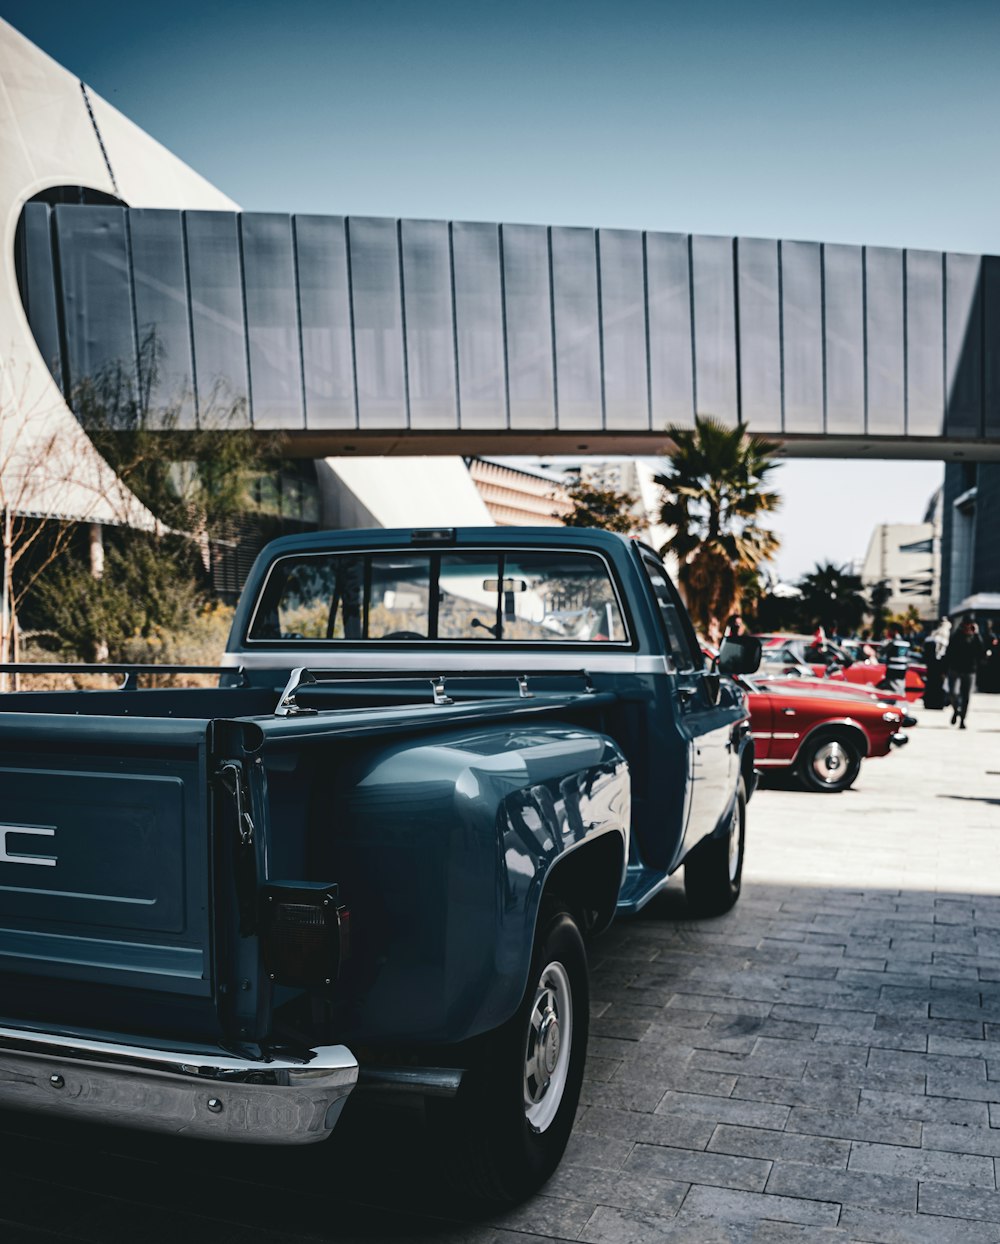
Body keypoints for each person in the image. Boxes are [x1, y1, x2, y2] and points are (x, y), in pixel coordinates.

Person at [945, 618, 986, 728]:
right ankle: (956, 710)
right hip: (955, 669)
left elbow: (981, 653)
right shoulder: (956, 636)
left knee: (966, 696)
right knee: (953, 693)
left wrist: (976, 634)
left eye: (970, 626)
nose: (968, 628)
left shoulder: (976, 638)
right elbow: (949, 652)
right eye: (966, 626)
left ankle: (962, 719)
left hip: (970, 670)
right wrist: (944, 669)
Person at [879, 627, 910, 696]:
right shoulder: (906, 643)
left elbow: (881, 652)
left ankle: (893, 702)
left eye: (890, 631)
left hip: (892, 668)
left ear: (895, 631)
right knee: (901, 686)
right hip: (902, 668)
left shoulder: (892, 642)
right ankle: (901, 699)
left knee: (891, 688)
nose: (888, 633)